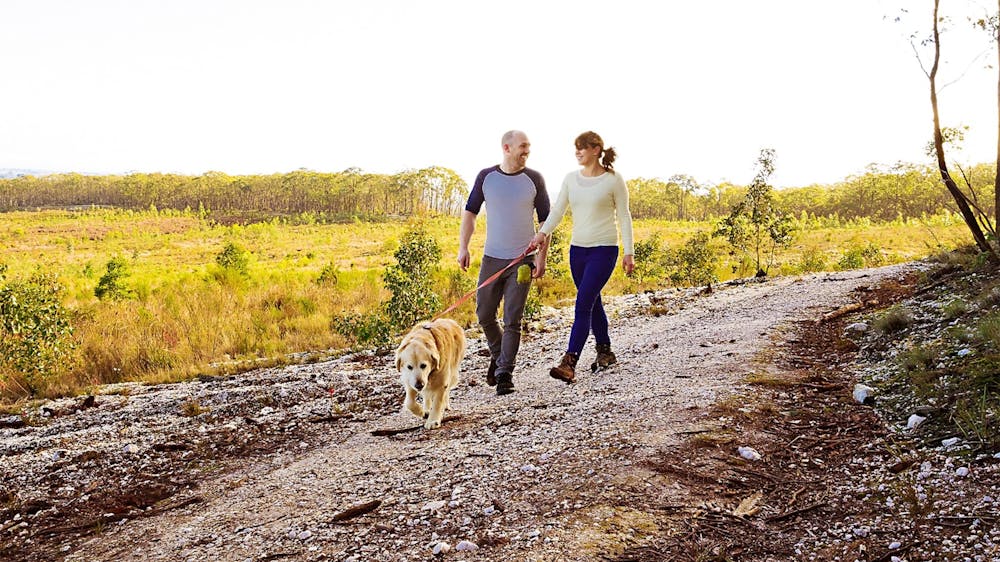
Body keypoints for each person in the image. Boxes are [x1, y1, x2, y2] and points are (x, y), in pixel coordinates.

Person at [529, 131, 634, 383]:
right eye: (575, 148)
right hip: (577, 251)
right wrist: (541, 234)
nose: (577, 152)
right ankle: (605, 351)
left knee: (583, 301)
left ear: (596, 150)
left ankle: (570, 360)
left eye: (582, 148)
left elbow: (624, 216)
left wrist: (629, 251)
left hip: (604, 249)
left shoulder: (613, 180)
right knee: (592, 301)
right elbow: (557, 212)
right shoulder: (570, 179)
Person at [458, 130, 550, 396]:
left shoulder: (534, 179)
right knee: (484, 314)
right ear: (506, 148)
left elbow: (546, 222)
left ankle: (504, 374)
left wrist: (541, 259)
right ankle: (499, 356)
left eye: (529, 147)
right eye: (523, 146)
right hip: (492, 258)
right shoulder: (486, 177)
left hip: (523, 260)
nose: (527, 151)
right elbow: (470, 213)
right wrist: (463, 247)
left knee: (512, 319)